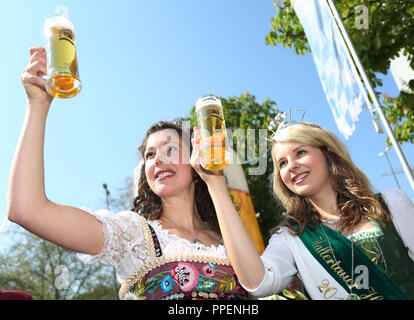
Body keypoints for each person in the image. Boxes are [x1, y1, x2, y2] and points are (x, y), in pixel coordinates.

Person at [7, 46, 247, 300]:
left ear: (196, 163)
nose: (158, 160)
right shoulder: (133, 234)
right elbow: (27, 209)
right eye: (150, 155)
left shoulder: (228, 237)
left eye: (170, 149)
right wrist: (38, 105)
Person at [190, 119, 414, 300]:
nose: (291, 166)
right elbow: (257, 282)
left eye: (300, 153)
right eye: (282, 163)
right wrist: (216, 185)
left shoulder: (389, 204)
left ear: (328, 155)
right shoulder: (292, 237)